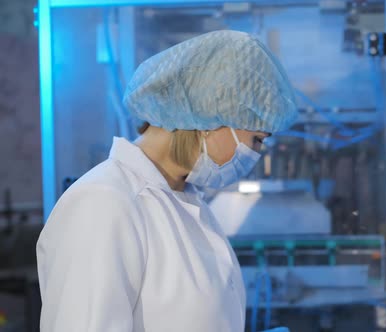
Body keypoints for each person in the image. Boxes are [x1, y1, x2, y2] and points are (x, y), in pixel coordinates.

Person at [36, 30, 298, 332]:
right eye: (256, 140)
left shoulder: (184, 199)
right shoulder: (104, 203)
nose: (254, 155)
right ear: (210, 116)